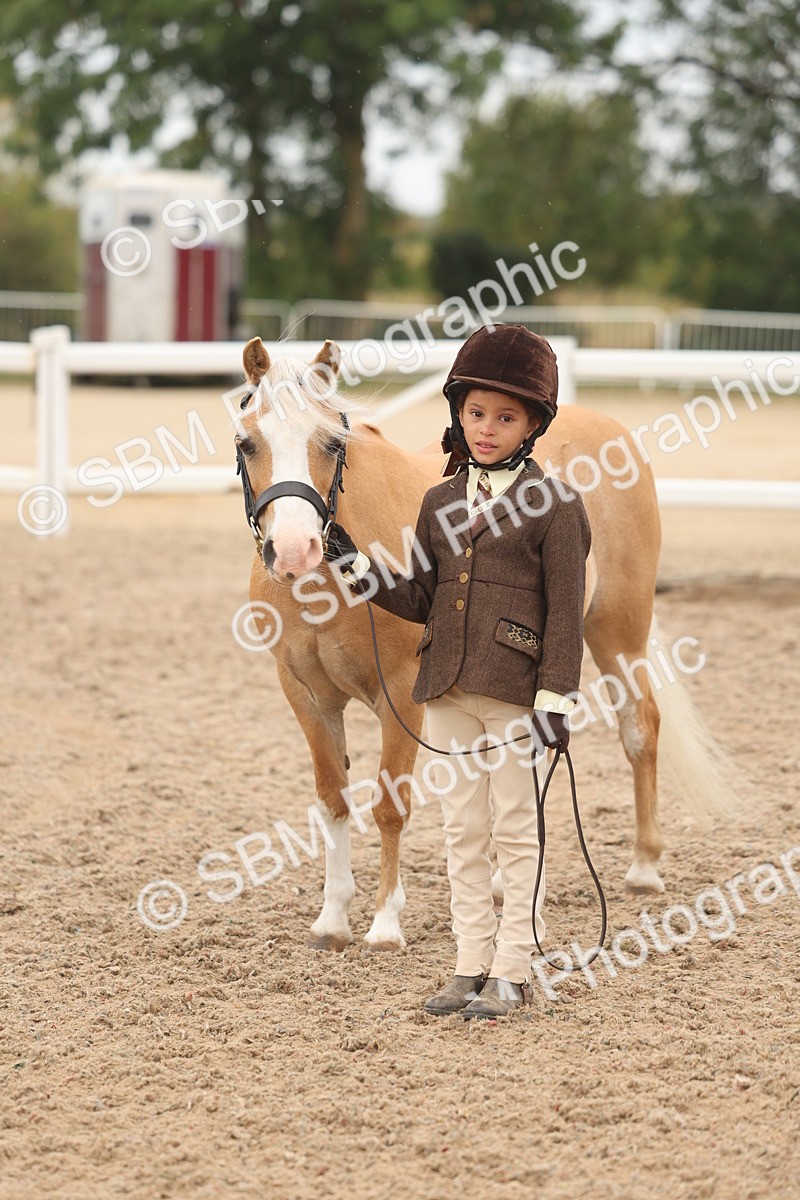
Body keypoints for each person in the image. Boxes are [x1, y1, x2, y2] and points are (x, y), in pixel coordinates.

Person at [328, 324, 591, 1019]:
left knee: (514, 829)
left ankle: (512, 967)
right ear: (458, 413)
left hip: (515, 692)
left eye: (505, 417)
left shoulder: (558, 505)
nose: (486, 428)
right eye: (476, 413)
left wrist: (556, 697)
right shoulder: (440, 501)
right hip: (444, 686)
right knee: (461, 832)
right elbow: (420, 595)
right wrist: (354, 565)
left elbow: (566, 610)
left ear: (533, 424)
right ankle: (468, 962)